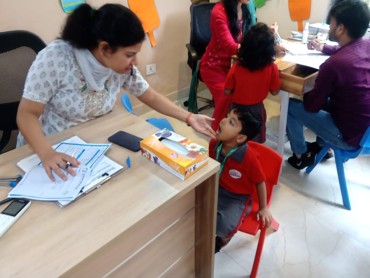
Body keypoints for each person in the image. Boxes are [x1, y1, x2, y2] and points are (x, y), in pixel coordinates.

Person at [16, 3, 215, 181]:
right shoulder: (57, 58)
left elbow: (149, 94)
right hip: (49, 147)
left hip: (92, 143)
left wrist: (189, 117)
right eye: (130, 55)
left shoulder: (121, 67)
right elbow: (26, 114)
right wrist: (47, 153)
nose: (134, 62)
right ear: (104, 48)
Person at [286, 0, 370, 170]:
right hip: (364, 131)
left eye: (331, 22)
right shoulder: (366, 44)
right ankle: (321, 147)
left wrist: (309, 89)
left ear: (341, 28)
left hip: (348, 137)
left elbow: (311, 106)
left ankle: (300, 155)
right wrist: (323, 47)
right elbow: (347, 52)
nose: (329, 26)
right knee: (329, 99)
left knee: (291, 105)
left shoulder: (334, 65)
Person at [209, 104, 272, 252]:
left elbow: (260, 182)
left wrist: (263, 208)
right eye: (227, 117)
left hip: (237, 197)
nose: (223, 121)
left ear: (241, 137)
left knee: (224, 225)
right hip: (216, 187)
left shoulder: (248, 158)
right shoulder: (214, 143)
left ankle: (222, 241)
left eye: (231, 122)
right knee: (195, 207)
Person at [200, 0, 256, 131]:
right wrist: (259, 47)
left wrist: (266, 37)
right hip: (213, 66)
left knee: (244, 98)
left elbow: (250, 37)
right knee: (227, 99)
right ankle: (217, 138)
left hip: (234, 64)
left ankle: (235, 137)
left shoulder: (245, 8)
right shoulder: (218, 11)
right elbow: (230, 46)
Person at [224, 22, 280, 143]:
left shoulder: (237, 67)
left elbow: (227, 90)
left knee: (233, 138)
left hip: (236, 110)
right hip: (257, 110)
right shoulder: (272, 68)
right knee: (255, 140)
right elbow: (275, 92)